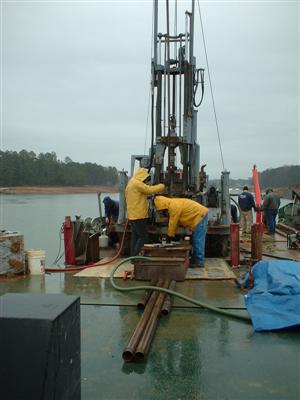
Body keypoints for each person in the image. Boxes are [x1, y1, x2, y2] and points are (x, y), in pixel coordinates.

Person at [154, 196, 208, 268]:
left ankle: (199, 261)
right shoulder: (173, 203)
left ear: (163, 206)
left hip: (200, 215)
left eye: (161, 211)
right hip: (198, 215)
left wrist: (169, 236)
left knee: (198, 240)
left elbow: (173, 222)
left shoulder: (173, 207)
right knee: (196, 240)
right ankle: (196, 259)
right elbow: (175, 222)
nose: (162, 213)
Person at [125, 168, 165, 256]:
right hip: (139, 216)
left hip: (132, 216)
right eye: (145, 179)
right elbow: (149, 190)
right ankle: (135, 257)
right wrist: (162, 185)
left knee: (135, 237)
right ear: (142, 176)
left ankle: (132, 257)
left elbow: (140, 195)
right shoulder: (137, 184)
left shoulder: (131, 182)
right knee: (143, 237)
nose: (146, 181)